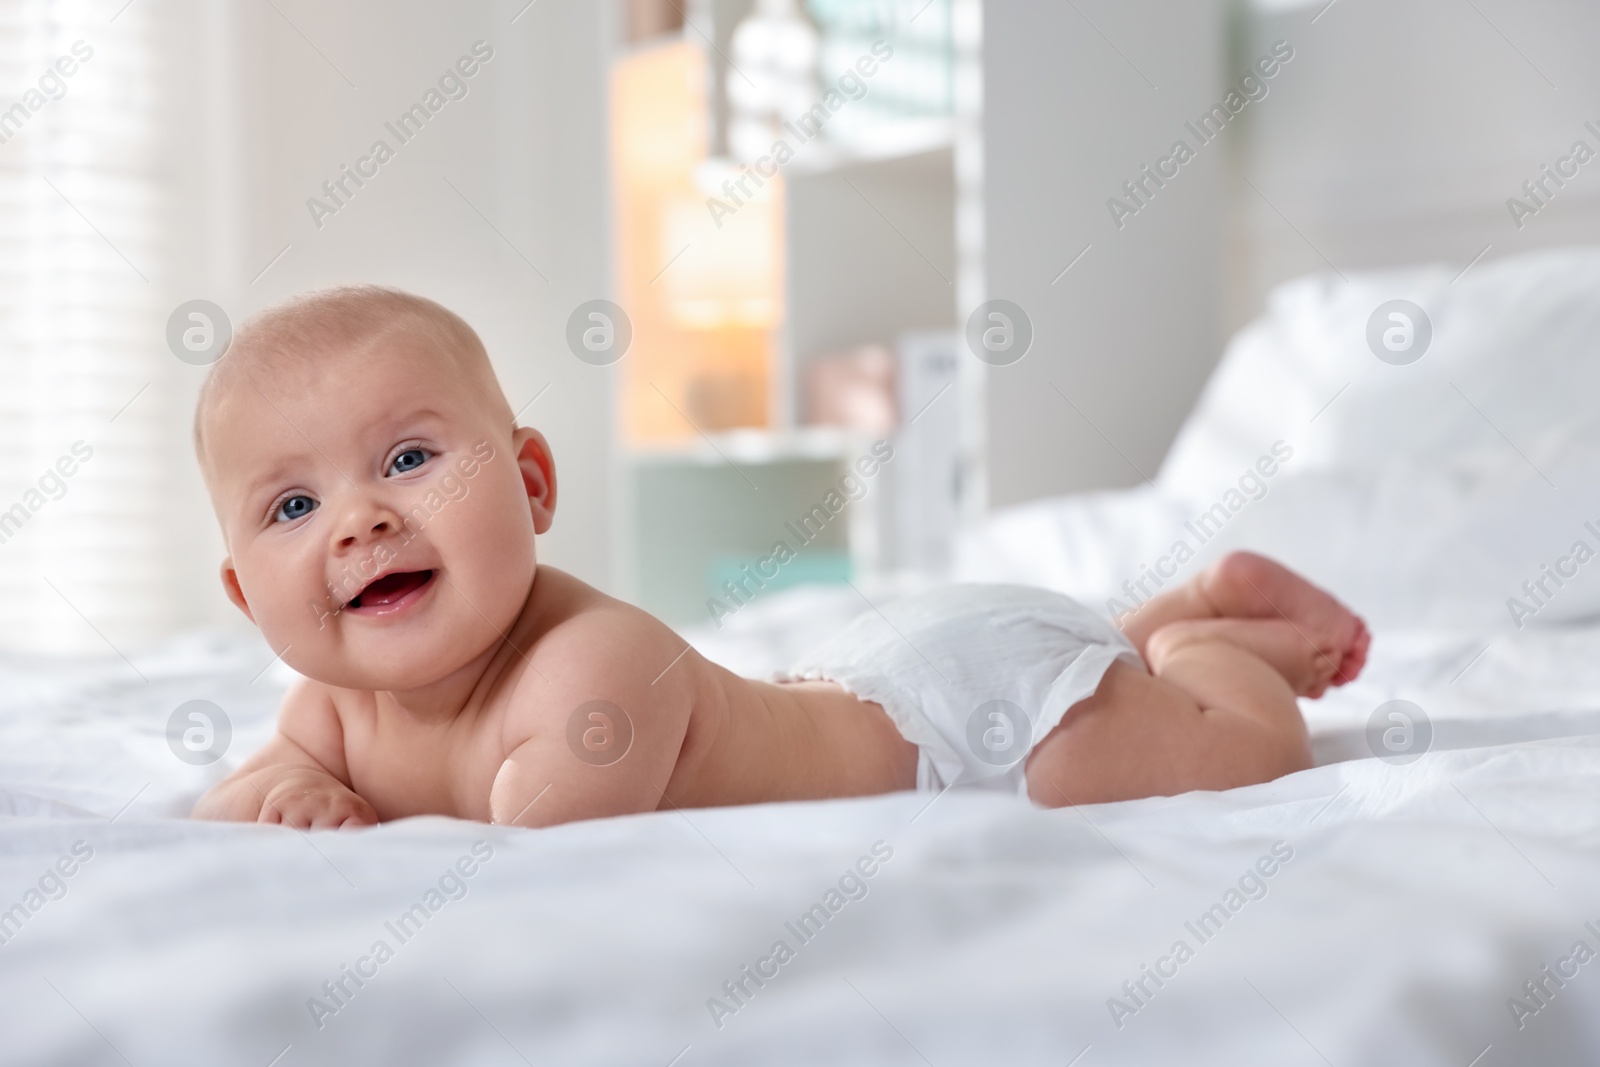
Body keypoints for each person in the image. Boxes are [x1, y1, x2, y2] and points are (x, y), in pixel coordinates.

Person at [192, 286, 1368, 829]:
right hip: (869, 668)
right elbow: (230, 801)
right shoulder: (329, 710)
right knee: (1088, 669)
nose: (356, 522)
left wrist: (338, 806)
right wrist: (285, 791)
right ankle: (1157, 612)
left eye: (406, 459)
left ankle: (1211, 642)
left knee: (1230, 759)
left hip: (967, 729)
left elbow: (531, 846)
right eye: (293, 503)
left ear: (532, 483)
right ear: (248, 595)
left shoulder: (588, 668)